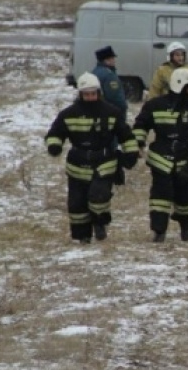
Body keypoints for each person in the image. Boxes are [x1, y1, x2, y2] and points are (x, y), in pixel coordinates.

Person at [45, 72, 139, 244]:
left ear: (98, 93)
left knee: (99, 196)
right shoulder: (68, 114)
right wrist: (54, 145)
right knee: (77, 204)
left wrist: (131, 153)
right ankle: (83, 236)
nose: (90, 97)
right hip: (77, 165)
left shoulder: (112, 112)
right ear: (80, 94)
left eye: (93, 94)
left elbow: (126, 135)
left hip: (104, 163)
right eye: (86, 94)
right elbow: (55, 133)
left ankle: (99, 223)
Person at [132, 68, 188, 243]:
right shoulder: (155, 105)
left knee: (186, 194)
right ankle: (159, 230)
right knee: (160, 194)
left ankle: (185, 222)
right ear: (178, 86)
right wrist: (139, 143)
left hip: (186, 158)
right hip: (161, 157)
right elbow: (141, 125)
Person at [90, 45, 128, 122]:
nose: (114, 60)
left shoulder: (94, 72)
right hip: (112, 113)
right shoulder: (109, 75)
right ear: (106, 60)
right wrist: (123, 108)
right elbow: (115, 97)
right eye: (112, 58)